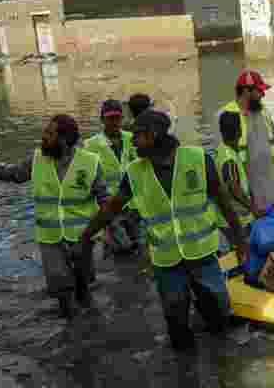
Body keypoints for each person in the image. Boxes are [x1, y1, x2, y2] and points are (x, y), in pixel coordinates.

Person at [81, 110, 248, 352]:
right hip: (166, 262)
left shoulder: (199, 158)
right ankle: (187, 376)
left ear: (154, 135)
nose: (133, 141)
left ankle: (222, 366)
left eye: (138, 136)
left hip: (203, 256)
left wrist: (240, 243)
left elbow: (223, 201)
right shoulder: (135, 172)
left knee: (218, 313)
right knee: (176, 321)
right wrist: (87, 235)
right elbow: (112, 208)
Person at [0, 115, 107, 319]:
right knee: (61, 291)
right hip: (50, 237)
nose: (43, 136)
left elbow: (105, 200)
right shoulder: (37, 159)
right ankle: (73, 329)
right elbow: (9, 174)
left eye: (50, 133)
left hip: (82, 238)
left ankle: (91, 330)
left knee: (83, 289)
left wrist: (102, 232)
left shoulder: (90, 162)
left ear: (64, 139)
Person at [219, 70, 274, 214]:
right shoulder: (228, 115)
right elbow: (226, 158)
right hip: (248, 186)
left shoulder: (262, 110)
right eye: (260, 91)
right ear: (246, 91)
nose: (263, 95)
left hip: (271, 178)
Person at [83, 99, 138, 255]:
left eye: (117, 118)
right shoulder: (90, 145)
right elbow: (88, 179)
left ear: (122, 118)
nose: (114, 122)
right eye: (110, 118)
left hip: (133, 203)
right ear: (102, 119)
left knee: (136, 244)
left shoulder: (131, 138)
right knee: (122, 247)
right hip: (108, 203)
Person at [216, 110, 264, 247]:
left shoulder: (222, 151)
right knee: (243, 254)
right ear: (239, 131)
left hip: (230, 218)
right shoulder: (229, 158)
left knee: (237, 254)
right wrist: (253, 208)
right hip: (235, 220)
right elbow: (234, 188)